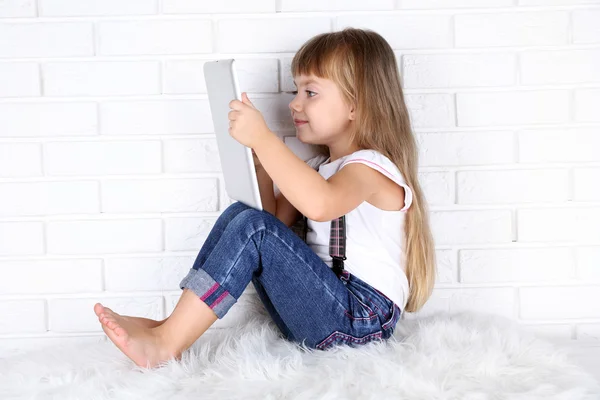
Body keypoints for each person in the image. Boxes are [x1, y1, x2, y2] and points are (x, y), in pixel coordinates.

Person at [93, 28, 436, 369]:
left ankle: (166, 343)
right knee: (240, 215)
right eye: (295, 90)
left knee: (254, 228)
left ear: (356, 105)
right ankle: (172, 329)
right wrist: (259, 165)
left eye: (310, 92)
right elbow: (273, 224)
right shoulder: (319, 169)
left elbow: (321, 204)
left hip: (362, 320)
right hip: (325, 311)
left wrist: (264, 139)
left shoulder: (371, 167)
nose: (295, 103)